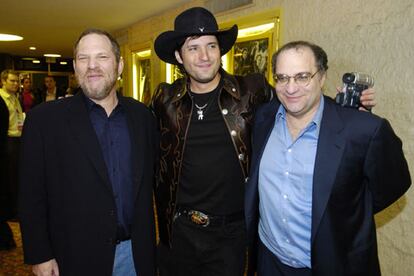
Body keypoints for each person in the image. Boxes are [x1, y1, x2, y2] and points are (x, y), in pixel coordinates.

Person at [152, 7, 375, 276]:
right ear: (178, 56)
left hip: (233, 236)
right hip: (180, 233)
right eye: (193, 48)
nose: (204, 56)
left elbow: (296, 102)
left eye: (211, 45)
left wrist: (344, 113)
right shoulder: (164, 100)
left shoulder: (252, 91)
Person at [245, 40, 411, 276]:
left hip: (329, 265)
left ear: (322, 77)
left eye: (302, 76)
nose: (290, 88)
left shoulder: (362, 129)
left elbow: (392, 186)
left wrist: (343, 210)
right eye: (282, 78)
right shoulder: (263, 117)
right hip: (269, 260)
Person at [19, 28, 157, 276]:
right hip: (72, 256)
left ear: (120, 65)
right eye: (83, 58)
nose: (92, 66)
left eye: (102, 57)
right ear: (75, 66)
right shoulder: (45, 121)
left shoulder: (142, 116)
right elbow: (31, 195)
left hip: (134, 255)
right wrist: (40, 254)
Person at [0, 70, 23, 224]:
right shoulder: (1, 98)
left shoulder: (15, 97)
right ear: (3, 81)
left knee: (16, 176)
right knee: (10, 177)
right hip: (8, 141)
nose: (16, 84)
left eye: (17, 81)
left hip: (17, 139)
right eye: (12, 81)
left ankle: (15, 208)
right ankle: (11, 211)